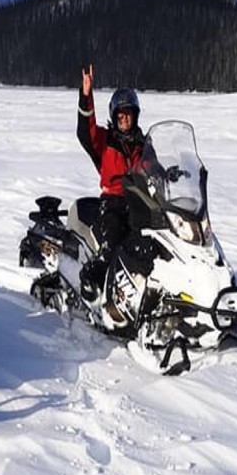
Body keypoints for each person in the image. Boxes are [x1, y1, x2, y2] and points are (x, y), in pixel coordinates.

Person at [76, 63, 145, 300]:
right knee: (113, 239)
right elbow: (86, 132)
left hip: (140, 202)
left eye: (129, 113)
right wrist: (86, 95)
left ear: (135, 116)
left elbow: (156, 168)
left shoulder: (143, 145)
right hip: (113, 201)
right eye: (120, 114)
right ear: (115, 116)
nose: (125, 118)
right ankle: (91, 279)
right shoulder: (105, 141)